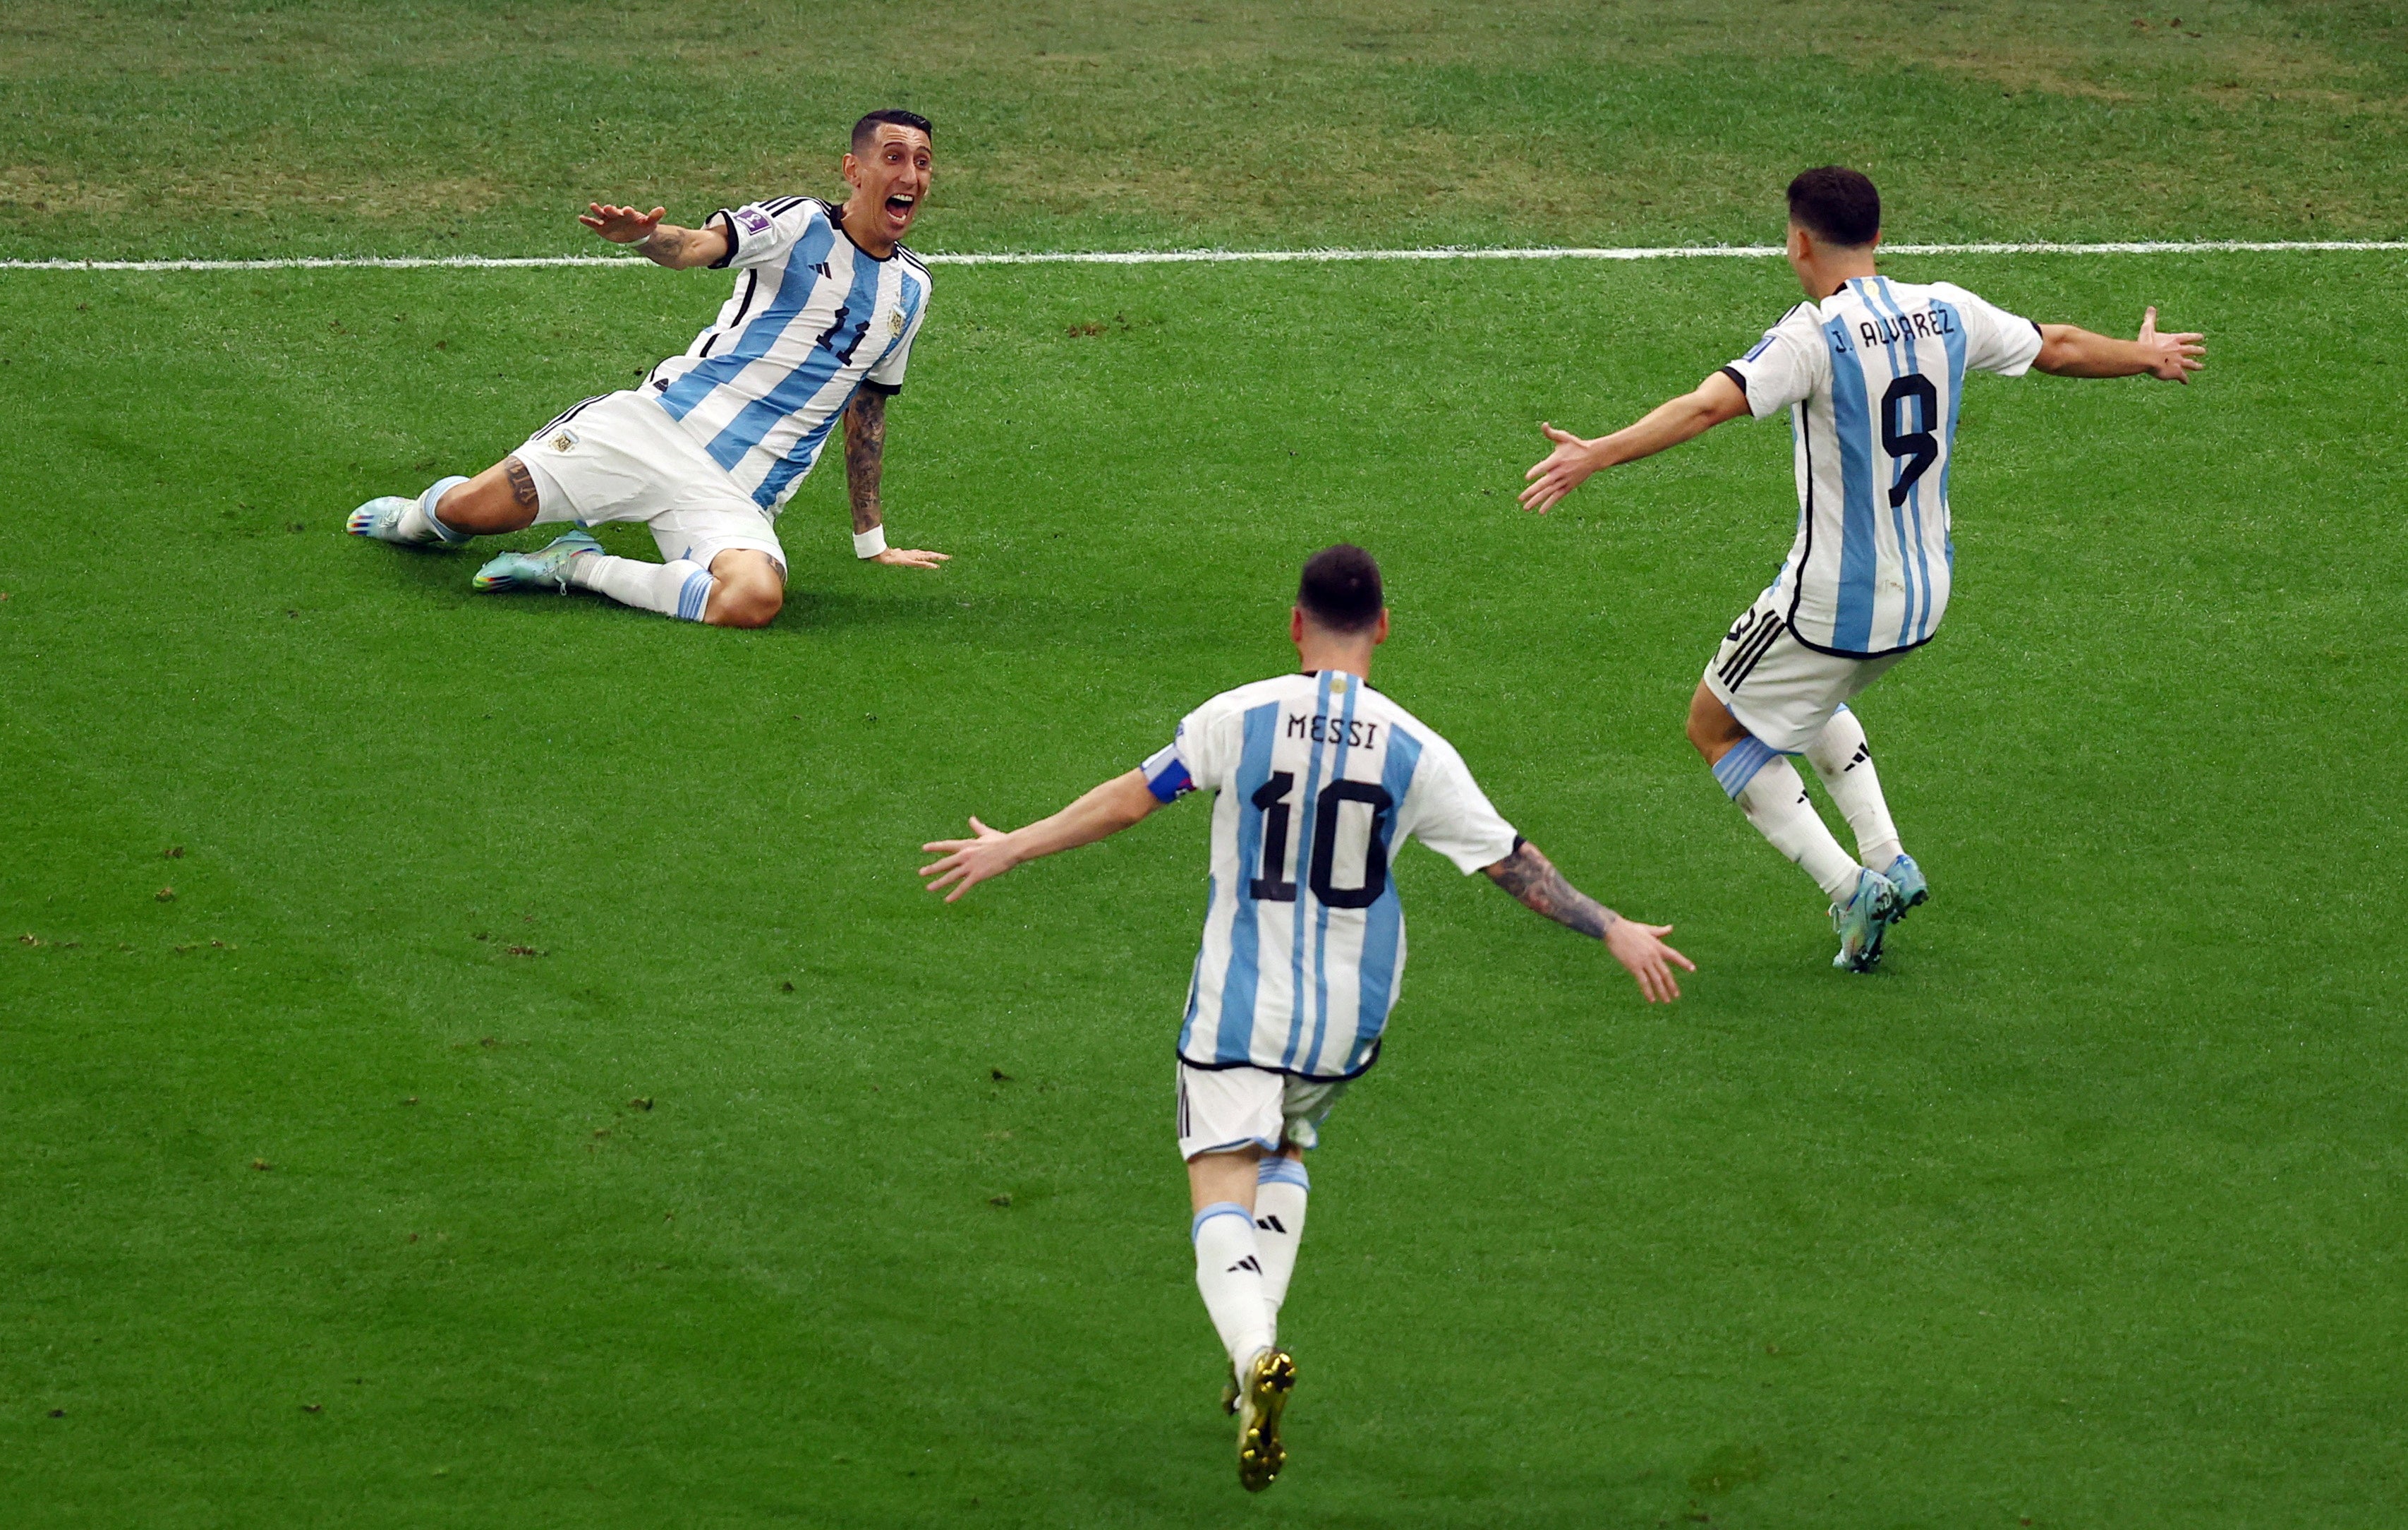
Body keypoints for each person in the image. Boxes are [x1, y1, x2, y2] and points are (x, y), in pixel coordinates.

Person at [917, 545, 1693, 1492]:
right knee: (1283, 1155)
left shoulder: (1235, 717)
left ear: (1294, 623)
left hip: (1239, 1006)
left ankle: (1253, 1358)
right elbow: (1510, 863)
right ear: (1383, 628)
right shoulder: (1417, 749)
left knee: (1219, 1179)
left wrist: (1013, 848)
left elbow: (1130, 802)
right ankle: (1254, 1373)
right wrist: (1610, 927)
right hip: (1347, 1019)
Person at [1519, 166, 2204, 970]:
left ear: (1798, 241)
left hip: (1831, 602)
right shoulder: (1946, 309)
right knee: (1808, 695)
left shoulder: (1811, 337)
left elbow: (1707, 405)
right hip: (1924, 599)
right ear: (1878, 236)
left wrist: (1597, 453)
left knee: (1714, 724)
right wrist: (2143, 356)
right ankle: (1888, 856)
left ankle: (1852, 889)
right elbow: (2053, 344)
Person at [345, 109, 948, 627]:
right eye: (894, 158)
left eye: (922, 163)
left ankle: (577, 566)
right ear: (854, 171)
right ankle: (418, 519)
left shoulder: (912, 290)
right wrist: (644, 237)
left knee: (752, 600)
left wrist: (872, 542)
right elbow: (693, 247)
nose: (909, 176)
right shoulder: (800, 224)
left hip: (736, 493)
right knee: (469, 514)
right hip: (654, 429)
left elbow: (867, 407)